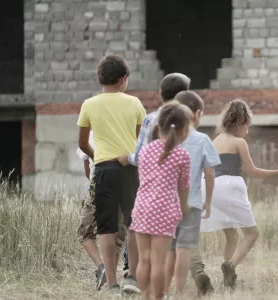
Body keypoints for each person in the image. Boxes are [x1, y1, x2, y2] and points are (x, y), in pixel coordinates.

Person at [200, 99, 278, 289]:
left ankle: (228, 280)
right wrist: (277, 172)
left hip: (212, 187)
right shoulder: (238, 142)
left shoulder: (216, 140)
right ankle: (230, 265)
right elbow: (252, 171)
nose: (247, 132)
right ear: (240, 123)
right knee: (252, 233)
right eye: (247, 127)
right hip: (230, 187)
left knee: (231, 234)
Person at [77, 54, 146, 295]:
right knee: (133, 225)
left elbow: (83, 143)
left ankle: (112, 283)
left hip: (103, 170)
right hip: (130, 170)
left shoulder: (89, 104)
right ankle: (133, 278)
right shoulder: (135, 103)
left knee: (106, 229)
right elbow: (140, 141)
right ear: (123, 78)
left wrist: (98, 155)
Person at [130, 102, 192, 300]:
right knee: (159, 261)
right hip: (165, 211)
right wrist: (183, 208)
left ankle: (145, 295)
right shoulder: (182, 155)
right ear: (182, 129)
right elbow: (183, 187)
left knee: (144, 260)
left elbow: (143, 179)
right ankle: (158, 297)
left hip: (141, 208)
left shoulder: (145, 151)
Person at [162, 91, 220, 297]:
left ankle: (166, 290)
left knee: (170, 249)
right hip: (192, 203)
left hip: (166, 203)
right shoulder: (202, 139)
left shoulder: (166, 137)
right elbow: (210, 171)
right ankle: (178, 291)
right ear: (196, 113)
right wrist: (209, 202)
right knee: (185, 248)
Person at [76, 131, 127, 290]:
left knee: (85, 233)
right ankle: (111, 277)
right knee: (117, 236)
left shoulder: (92, 133)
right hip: (121, 188)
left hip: (97, 185)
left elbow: (87, 171)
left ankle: (101, 267)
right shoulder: (124, 132)